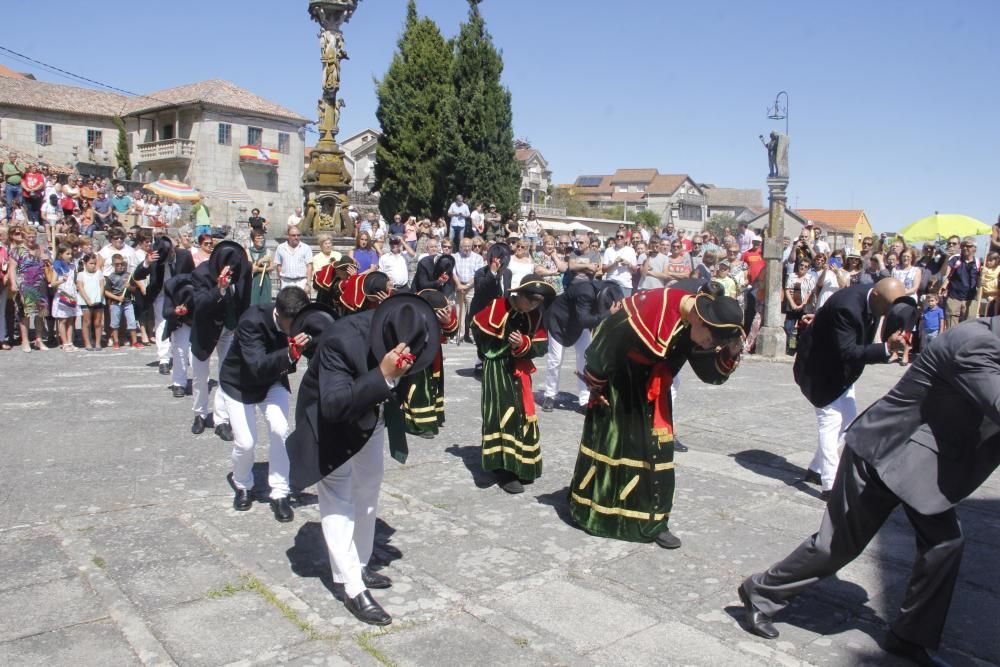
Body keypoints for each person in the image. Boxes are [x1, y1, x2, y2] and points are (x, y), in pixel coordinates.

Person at [740, 315, 1000, 666]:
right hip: (882, 451)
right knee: (837, 546)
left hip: (921, 466)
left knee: (945, 545)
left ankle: (909, 637)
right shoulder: (978, 343)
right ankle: (760, 592)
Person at [286, 293, 441, 626]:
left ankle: (360, 563)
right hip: (328, 422)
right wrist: (383, 376)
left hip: (371, 416)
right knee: (338, 495)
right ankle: (352, 588)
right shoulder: (342, 341)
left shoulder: (411, 336)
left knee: (369, 486)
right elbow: (333, 405)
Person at [568, 288, 744, 549]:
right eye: (710, 341)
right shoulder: (653, 307)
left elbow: (710, 372)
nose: (708, 346)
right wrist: (597, 384)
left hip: (654, 391)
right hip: (619, 387)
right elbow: (606, 340)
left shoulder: (697, 325)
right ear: (700, 320)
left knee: (655, 452)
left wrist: (730, 352)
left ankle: (653, 521)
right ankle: (599, 514)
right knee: (613, 448)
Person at [794, 279, 913, 499]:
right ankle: (830, 485)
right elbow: (847, 351)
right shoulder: (847, 308)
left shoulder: (875, 300)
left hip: (843, 373)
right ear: (876, 296)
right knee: (831, 424)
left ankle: (815, 469)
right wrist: (886, 349)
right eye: (888, 308)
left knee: (848, 423)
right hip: (820, 372)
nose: (889, 313)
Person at [220, 286, 310, 523]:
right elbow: (257, 365)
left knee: (280, 430)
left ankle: (280, 492)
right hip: (239, 383)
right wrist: (291, 353)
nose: (296, 328)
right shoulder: (251, 321)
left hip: (272, 382)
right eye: (291, 323)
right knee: (246, 442)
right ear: (278, 315)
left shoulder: (301, 320)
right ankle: (242, 484)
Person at [473, 276, 555, 494]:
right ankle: (504, 469)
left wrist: (523, 344)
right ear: (519, 295)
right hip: (497, 368)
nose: (534, 305)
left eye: (538, 302)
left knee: (522, 414)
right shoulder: (497, 307)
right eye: (531, 300)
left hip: (520, 368)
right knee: (502, 413)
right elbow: (478, 329)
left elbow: (541, 345)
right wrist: (489, 351)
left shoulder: (535, 315)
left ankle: (523, 464)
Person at [189, 241, 251, 440]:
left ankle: (221, 419)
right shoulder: (201, 273)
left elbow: (244, 301)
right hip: (205, 330)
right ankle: (199, 413)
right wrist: (219, 290)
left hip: (229, 328)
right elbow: (199, 304)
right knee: (200, 376)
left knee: (226, 374)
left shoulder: (243, 272)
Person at [541, 267, 622, 413]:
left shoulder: (605, 289)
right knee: (556, 360)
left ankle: (584, 399)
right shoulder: (585, 292)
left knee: (584, 361)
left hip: (580, 324)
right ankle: (550, 395)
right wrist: (608, 313)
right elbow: (585, 320)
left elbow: (587, 319)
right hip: (560, 323)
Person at [401, 289, 459, 437]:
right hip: (416, 354)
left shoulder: (441, 307)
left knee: (434, 384)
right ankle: (419, 423)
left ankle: (433, 415)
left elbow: (451, 332)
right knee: (419, 387)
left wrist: (446, 322)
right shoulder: (411, 312)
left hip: (434, 353)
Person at [134, 235, 194, 374]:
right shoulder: (154, 258)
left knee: (184, 325)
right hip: (161, 294)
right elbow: (137, 276)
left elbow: (192, 275)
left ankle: (186, 355)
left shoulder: (185, 255)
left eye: (170, 254)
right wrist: (146, 263)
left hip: (181, 293)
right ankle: (164, 359)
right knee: (161, 324)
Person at [469, 243, 513, 375]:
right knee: (482, 342)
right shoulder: (480, 273)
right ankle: (481, 360)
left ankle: (491, 364)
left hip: (500, 313)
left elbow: (507, 293)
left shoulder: (507, 273)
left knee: (497, 343)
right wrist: (492, 272)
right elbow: (482, 289)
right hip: (481, 313)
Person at [941, 236, 981, 328]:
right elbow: (945, 273)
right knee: (952, 326)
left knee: (970, 326)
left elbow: (979, 282)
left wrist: (982, 279)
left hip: (970, 299)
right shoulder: (955, 259)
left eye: (968, 246)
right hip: (954, 297)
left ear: (974, 249)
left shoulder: (978, 262)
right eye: (963, 245)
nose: (965, 248)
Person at [454, 237, 485, 343]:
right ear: (460, 247)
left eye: (468, 246)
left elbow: (477, 274)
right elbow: (453, 272)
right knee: (459, 312)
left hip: (471, 287)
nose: (466, 248)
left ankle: (473, 335)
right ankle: (460, 335)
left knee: (472, 312)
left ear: (471, 246)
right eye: (464, 246)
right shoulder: (455, 256)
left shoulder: (478, 258)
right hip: (459, 286)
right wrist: (459, 284)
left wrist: (466, 286)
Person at [105, 254, 140, 349]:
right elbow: (106, 292)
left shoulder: (128, 276)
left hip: (128, 302)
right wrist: (117, 298)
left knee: (132, 322)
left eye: (122, 264)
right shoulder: (110, 277)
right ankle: (116, 341)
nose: (120, 266)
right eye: (117, 264)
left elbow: (135, 290)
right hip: (115, 303)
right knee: (115, 323)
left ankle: (135, 342)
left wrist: (130, 287)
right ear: (113, 265)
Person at [49, 244, 80, 350]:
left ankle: (70, 341)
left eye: (71, 253)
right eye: (67, 254)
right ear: (61, 254)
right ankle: (65, 342)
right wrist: (62, 280)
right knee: (63, 320)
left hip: (71, 294)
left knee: (71, 320)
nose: (70, 256)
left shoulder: (72, 266)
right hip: (62, 294)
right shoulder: (57, 266)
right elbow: (52, 283)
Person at [273, 225, 313, 294]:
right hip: (286, 282)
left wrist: (308, 284)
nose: (296, 237)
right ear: (288, 236)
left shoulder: (306, 248)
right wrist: (281, 280)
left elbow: (309, 266)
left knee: (301, 304)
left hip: (301, 282)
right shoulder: (280, 247)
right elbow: (279, 265)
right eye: (293, 235)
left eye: (298, 235)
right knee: (286, 304)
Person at [76, 252, 104, 351]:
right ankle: (87, 343)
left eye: (94, 263)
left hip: (98, 301)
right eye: (91, 263)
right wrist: (87, 300)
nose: (93, 266)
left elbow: (101, 285)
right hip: (85, 301)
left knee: (98, 322)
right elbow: (80, 287)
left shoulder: (99, 273)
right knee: (86, 322)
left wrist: (99, 298)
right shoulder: (81, 274)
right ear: (85, 263)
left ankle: (97, 343)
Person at [602, 231, 638, 297]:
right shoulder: (609, 250)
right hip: (610, 283)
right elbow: (603, 269)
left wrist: (628, 264)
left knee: (623, 307)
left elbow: (635, 270)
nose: (619, 238)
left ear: (626, 239)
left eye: (621, 237)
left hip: (625, 285)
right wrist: (614, 263)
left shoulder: (631, 250)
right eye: (617, 236)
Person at [248, 230, 274, 306]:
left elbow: (271, 268)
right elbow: (252, 269)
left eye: (262, 238)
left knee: (265, 303)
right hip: (253, 281)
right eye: (258, 238)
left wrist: (258, 269)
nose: (261, 240)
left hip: (265, 280)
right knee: (253, 302)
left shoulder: (268, 251)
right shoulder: (248, 251)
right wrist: (260, 261)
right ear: (253, 239)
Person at [977, 251, 999, 316]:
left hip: (995, 298)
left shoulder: (998, 271)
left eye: (990, 260)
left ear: (996, 260)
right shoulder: (983, 270)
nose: (988, 262)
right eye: (987, 260)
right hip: (983, 297)